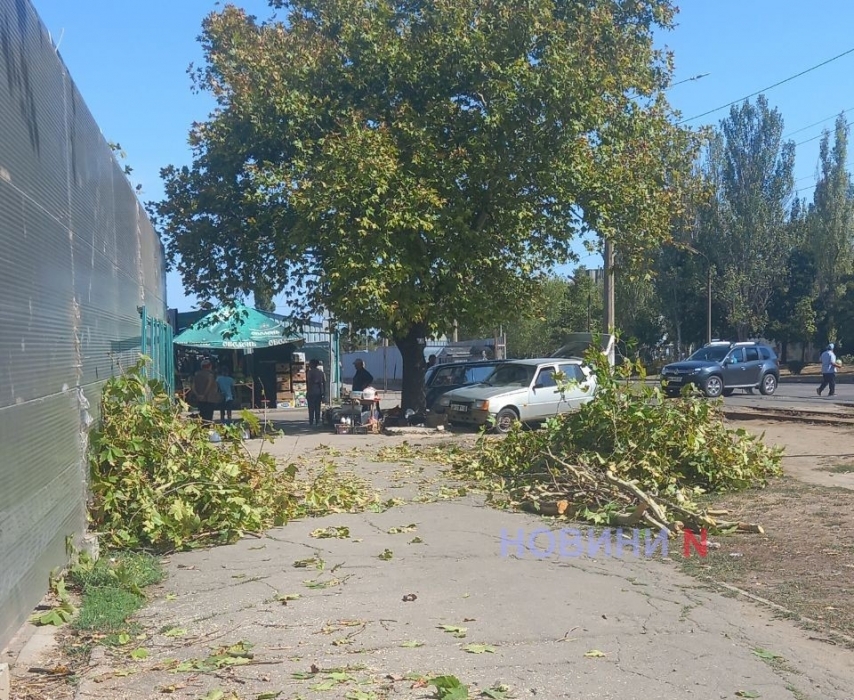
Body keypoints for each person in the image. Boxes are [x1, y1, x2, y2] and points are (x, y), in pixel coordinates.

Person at [306, 359, 326, 427]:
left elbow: (308, 383)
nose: (309, 365)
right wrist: (323, 393)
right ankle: (317, 421)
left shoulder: (309, 372)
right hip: (319, 392)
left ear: (313, 364)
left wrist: (307, 392)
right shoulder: (321, 372)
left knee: (311, 408)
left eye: (310, 364)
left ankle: (311, 421)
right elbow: (324, 383)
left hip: (311, 392)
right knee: (317, 407)